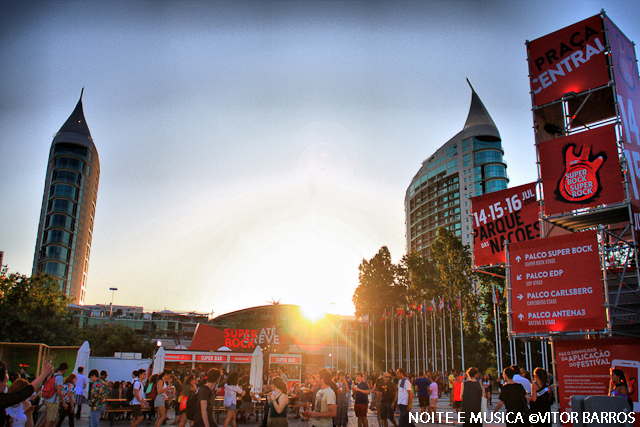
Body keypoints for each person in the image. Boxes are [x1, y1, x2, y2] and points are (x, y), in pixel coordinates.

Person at [44, 362, 69, 427]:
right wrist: (63, 402)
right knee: (50, 421)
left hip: (47, 398)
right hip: (53, 401)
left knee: (53, 419)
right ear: (65, 370)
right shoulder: (59, 377)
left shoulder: (53, 375)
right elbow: (59, 391)